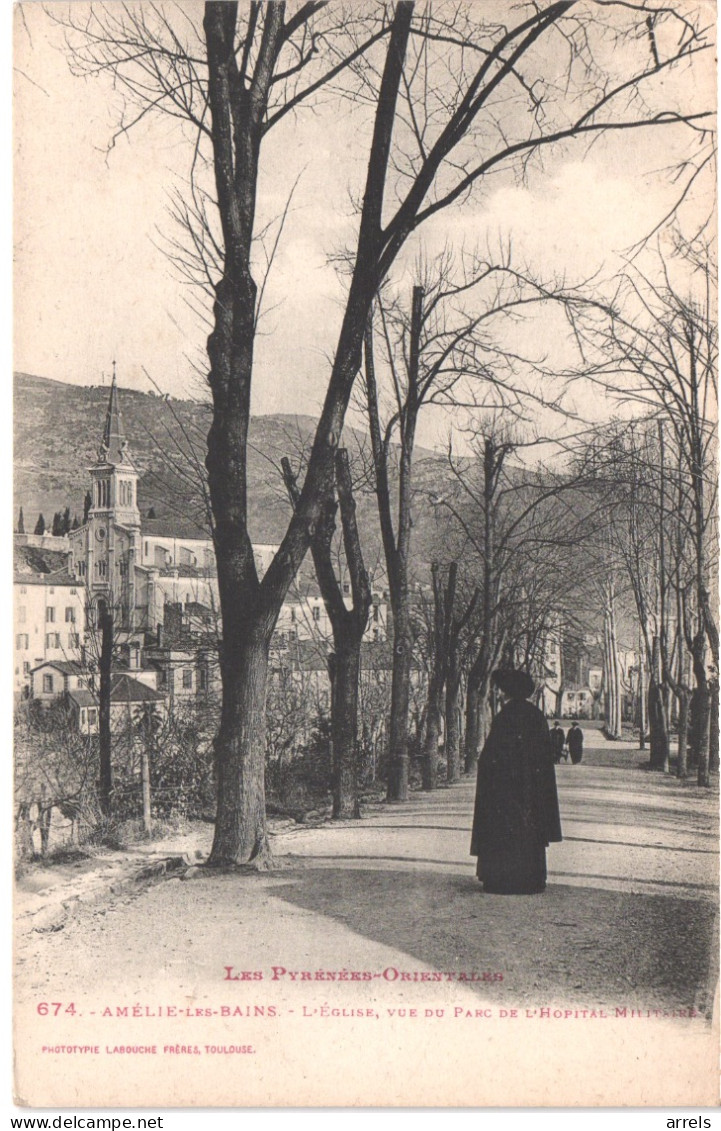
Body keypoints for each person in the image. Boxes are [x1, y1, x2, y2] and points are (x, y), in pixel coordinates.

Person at [470, 669, 562, 895]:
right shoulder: (537, 716)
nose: (499, 694)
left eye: (501, 690)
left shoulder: (504, 717)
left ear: (507, 692)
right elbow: (545, 756)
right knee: (529, 831)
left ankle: (502, 879)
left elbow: (492, 757)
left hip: (504, 790)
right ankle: (531, 879)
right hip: (532, 790)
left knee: (504, 831)